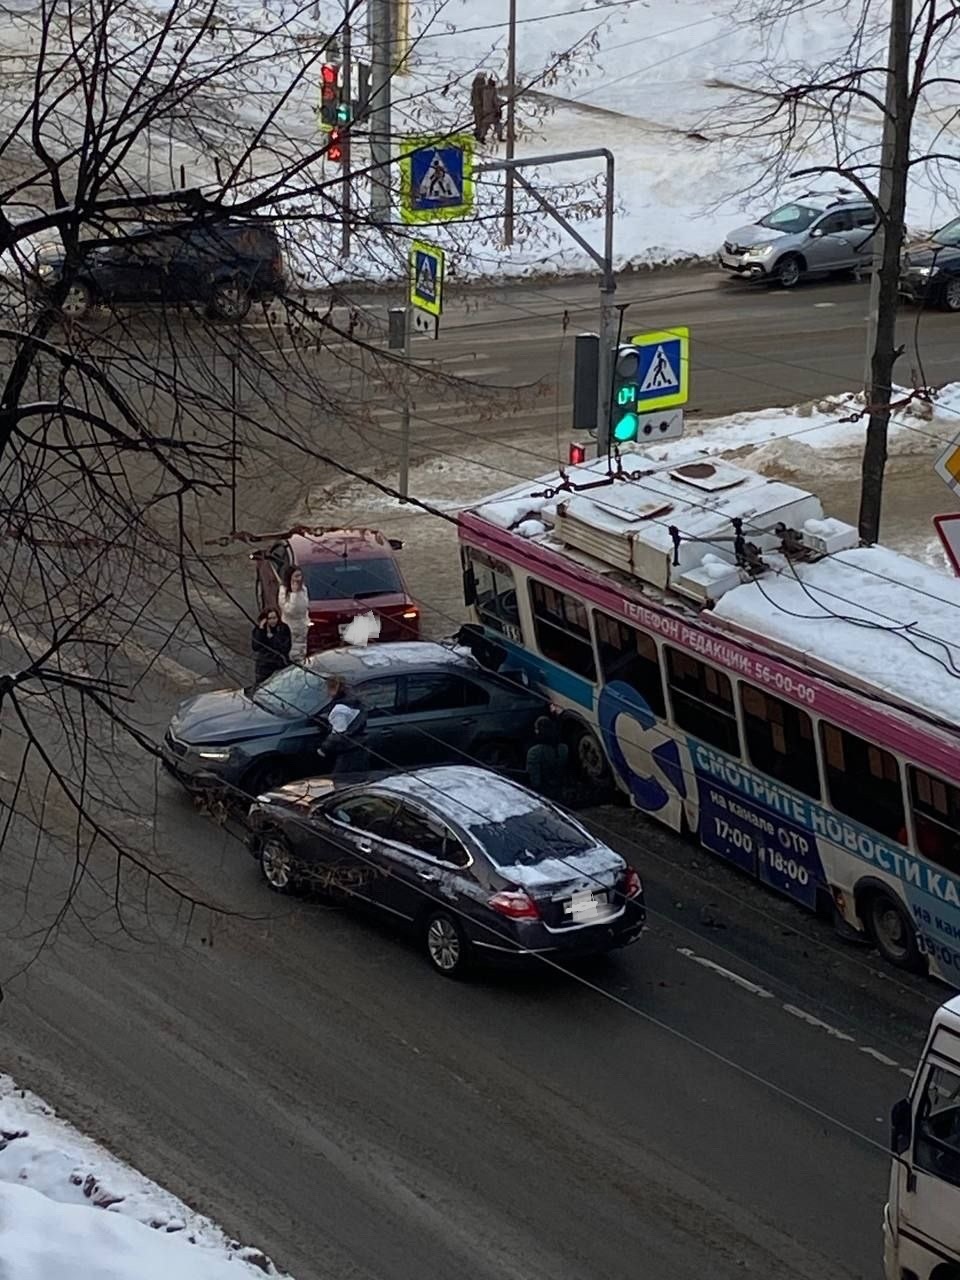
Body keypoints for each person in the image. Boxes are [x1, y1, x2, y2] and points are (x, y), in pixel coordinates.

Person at [318, 674, 369, 775]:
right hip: (360, 747)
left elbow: (338, 734)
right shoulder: (353, 702)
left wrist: (324, 748)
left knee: (342, 780)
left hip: (349, 752)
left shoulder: (338, 711)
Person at [525, 715, 569, 801]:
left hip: (544, 795)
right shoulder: (564, 748)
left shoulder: (534, 752)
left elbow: (534, 779)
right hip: (560, 791)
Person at [278, 565, 309, 662]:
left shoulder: (303, 589)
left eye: (300, 576)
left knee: (302, 652)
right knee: (292, 653)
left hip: (302, 627)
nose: (299, 579)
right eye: (296, 576)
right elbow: (289, 610)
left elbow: (305, 607)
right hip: (291, 628)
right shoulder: (284, 590)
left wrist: (307, 621)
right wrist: (294, 594)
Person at [251, 609, 291, 684]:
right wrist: (261, 630)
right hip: (264, 666)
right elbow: (255, 647)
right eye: (270, 618)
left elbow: (285, 647)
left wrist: (273, 638)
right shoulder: (258, 630)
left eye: (274, 618)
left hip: (279, 663)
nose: (273, 621)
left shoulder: (283, 628)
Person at [481, 75, 503, 144]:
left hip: (485, 111)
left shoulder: (484, 91)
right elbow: (495, 101)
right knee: (498, 124)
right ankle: (499, 137)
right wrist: (498, 109)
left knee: (485, 125)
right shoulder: (493, 91)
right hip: (492, 111)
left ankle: (482, 137)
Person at [470, 73, 486, 141]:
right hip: (479, 105)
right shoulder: (480, 85)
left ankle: (478, 132)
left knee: (478, 120)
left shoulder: (475, 85)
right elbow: (481, 95)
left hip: (476, 104)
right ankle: (479, 135)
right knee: (480, 120)